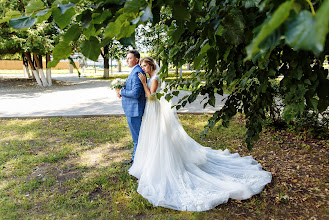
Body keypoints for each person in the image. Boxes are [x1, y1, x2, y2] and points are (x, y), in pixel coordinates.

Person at [128, 57, 272, 212]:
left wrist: (143, 83)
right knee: (154, 138)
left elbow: (151, 97)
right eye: (141, 65)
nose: (142, 68)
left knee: (159, 139)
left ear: (151, 66)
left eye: (144, 65)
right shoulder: (152, 77)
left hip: (154, 110)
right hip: (153, 112)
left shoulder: (154, 79)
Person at [116, 50, 146, 164]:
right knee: (136, 138)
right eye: (127, 58)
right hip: (132, 109)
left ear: (136, 60)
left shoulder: (137, 72)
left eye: (129, 58)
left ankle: (137, 162)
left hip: (135, 110)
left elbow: (135, 93)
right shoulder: (135, 71)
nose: (127, 60)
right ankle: (135, 159)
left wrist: (122, 91)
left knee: (137, 138)